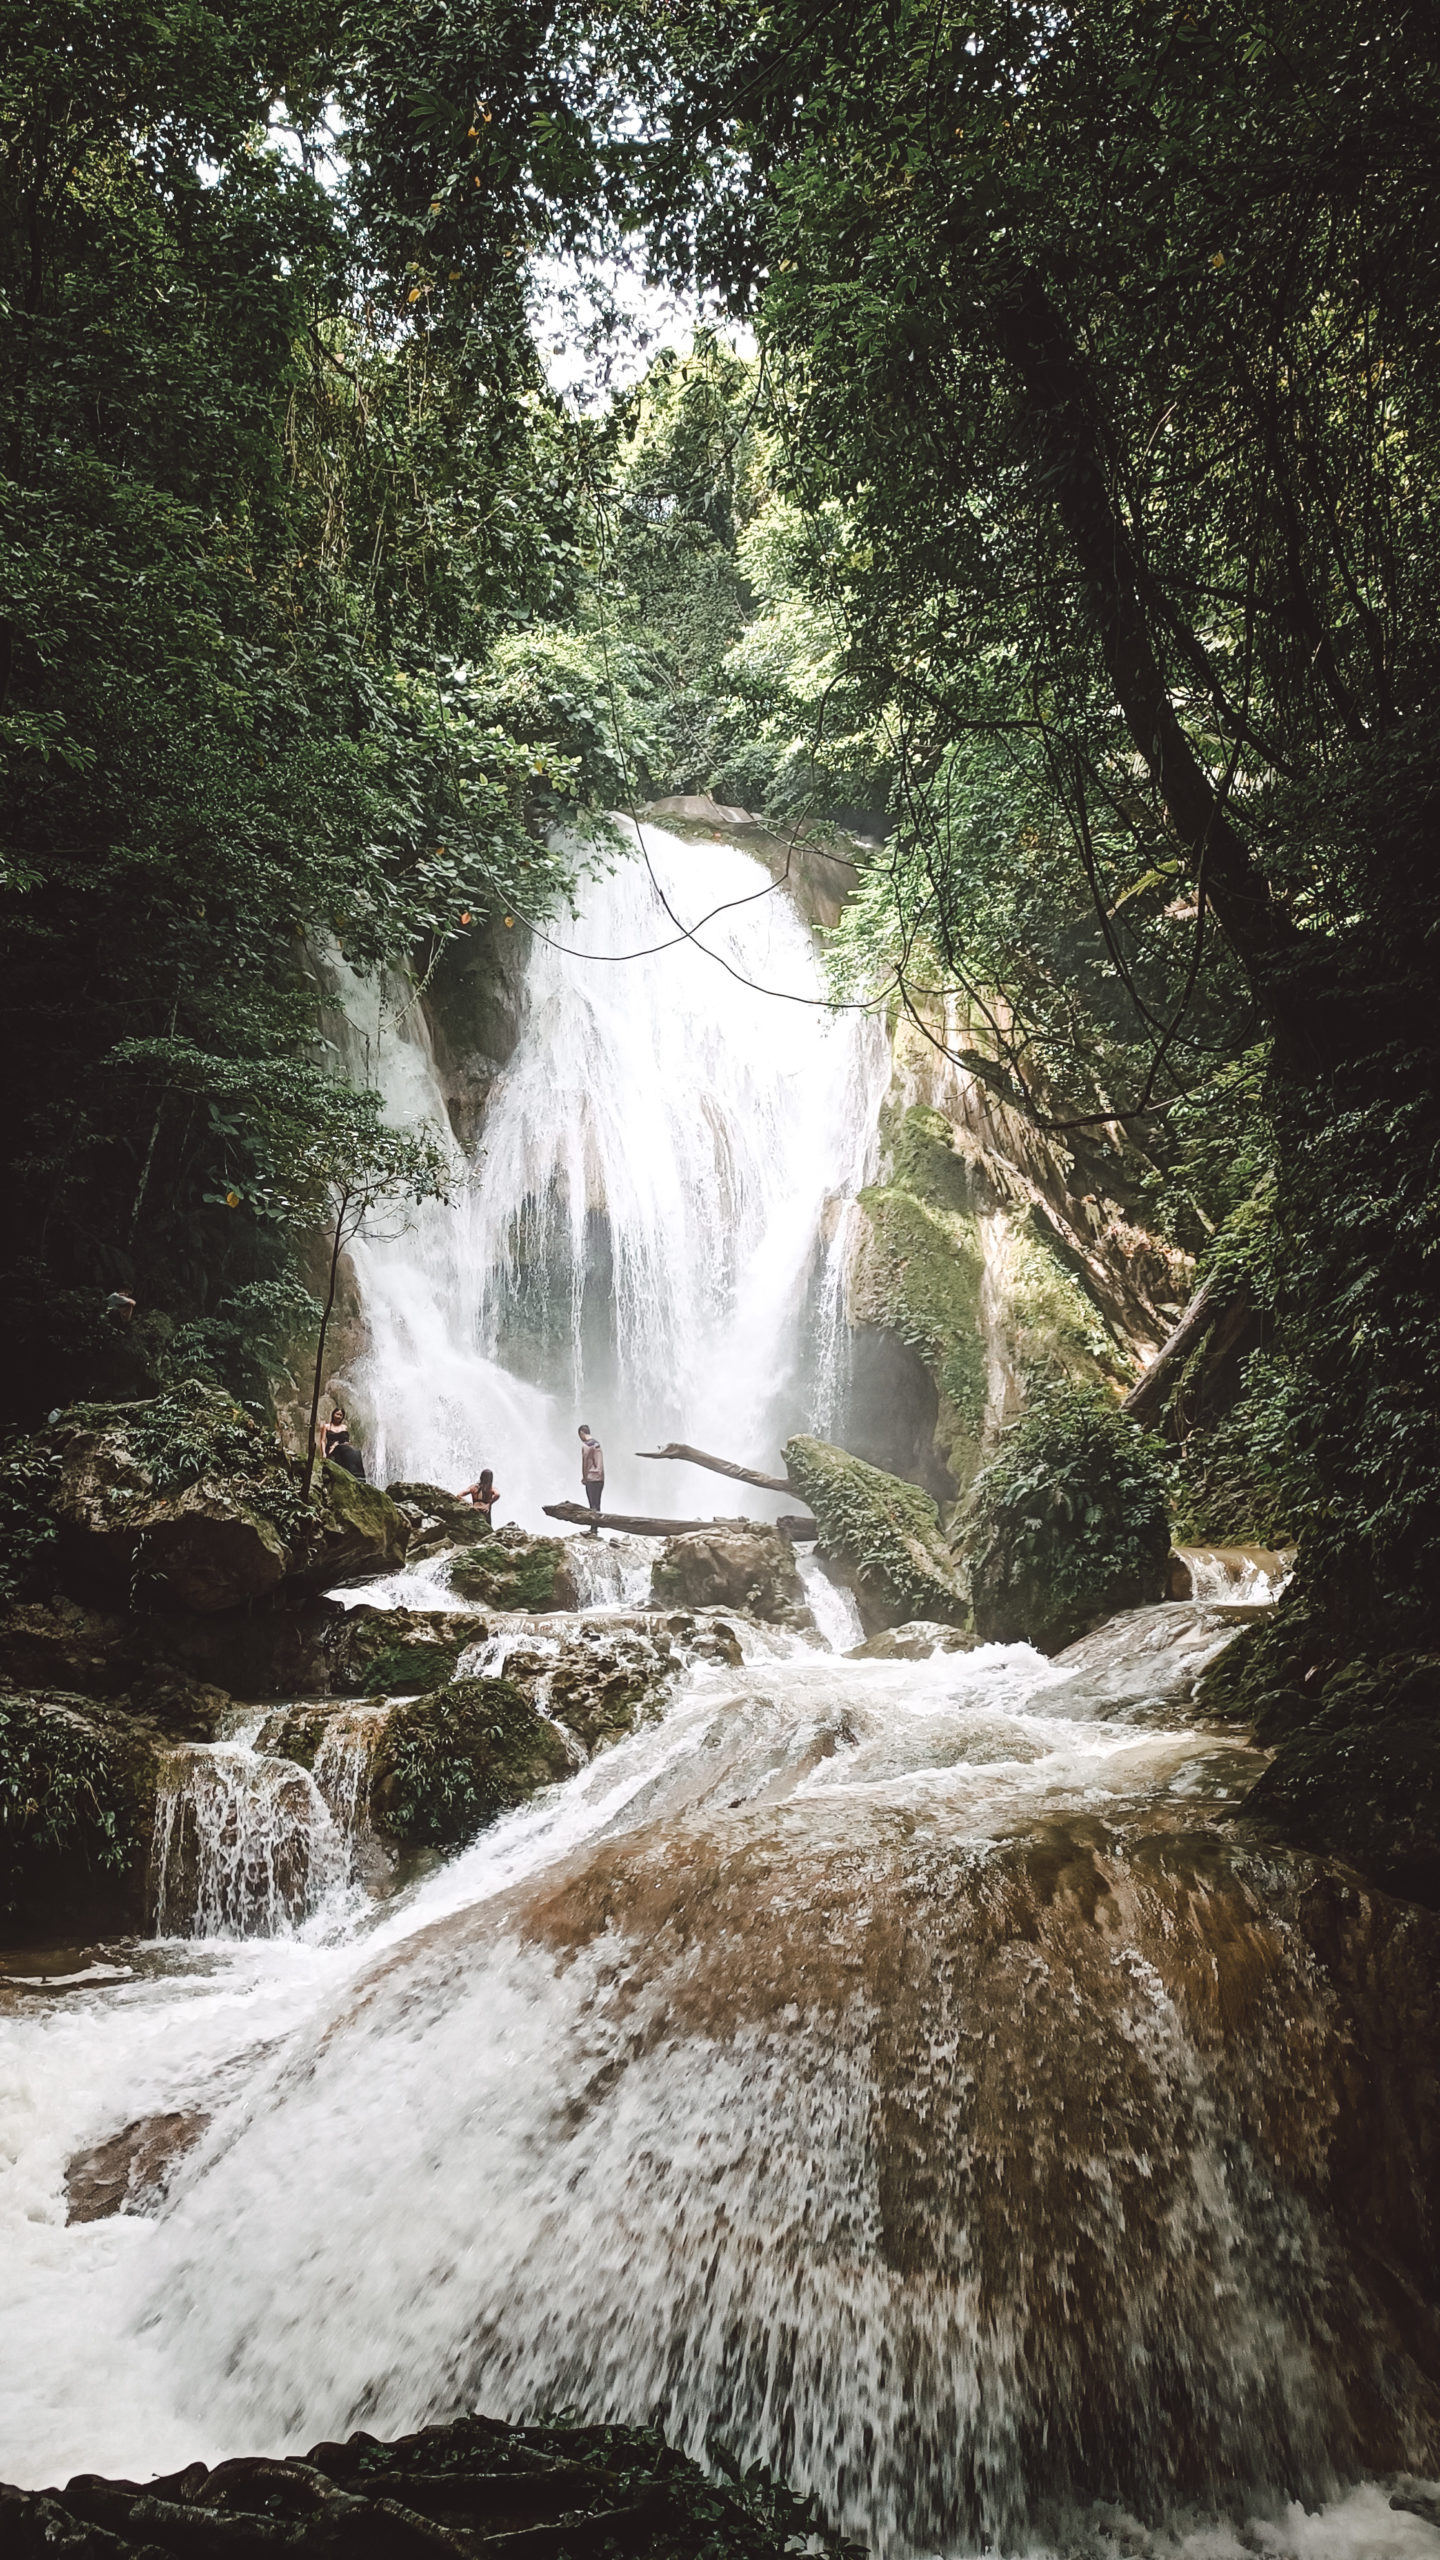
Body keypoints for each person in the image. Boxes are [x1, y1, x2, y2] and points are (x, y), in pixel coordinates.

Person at [578, 1424, 605, 1533]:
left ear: (581, 1433)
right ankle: (596, 1527)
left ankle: (593, 1529)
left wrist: (584, 1478)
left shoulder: (586, 1446)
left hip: (591, 1477)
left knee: (592, 1504)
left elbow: (585, 1464)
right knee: (597, 1504)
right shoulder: (597, 1444)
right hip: (600, 1478)